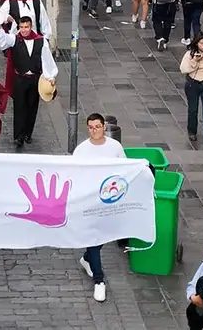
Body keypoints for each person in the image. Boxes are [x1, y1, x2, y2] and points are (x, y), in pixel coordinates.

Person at [72, 114, 125, 303]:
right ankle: (99, 280)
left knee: (104, 236)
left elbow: (124, 169)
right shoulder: (81, 151)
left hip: (110, 202)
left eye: (98, 126)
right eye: (91, 127)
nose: (95, 130)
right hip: (90, 203)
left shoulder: (115, 147)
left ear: (104, 127)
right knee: (94, 238)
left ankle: (87, 258)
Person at [0, 15, 58, 148]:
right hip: (20, 79)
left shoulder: (41, 41)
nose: (23, 30)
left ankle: (28, 133)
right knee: (19, 107)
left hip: (35, 79)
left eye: (26, 27)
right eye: (21, 27)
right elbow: (1, 39)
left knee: (32, 107)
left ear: (31, 26)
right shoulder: (14, 39)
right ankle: (18, 136)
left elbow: (46, 59)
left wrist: (50, 75)